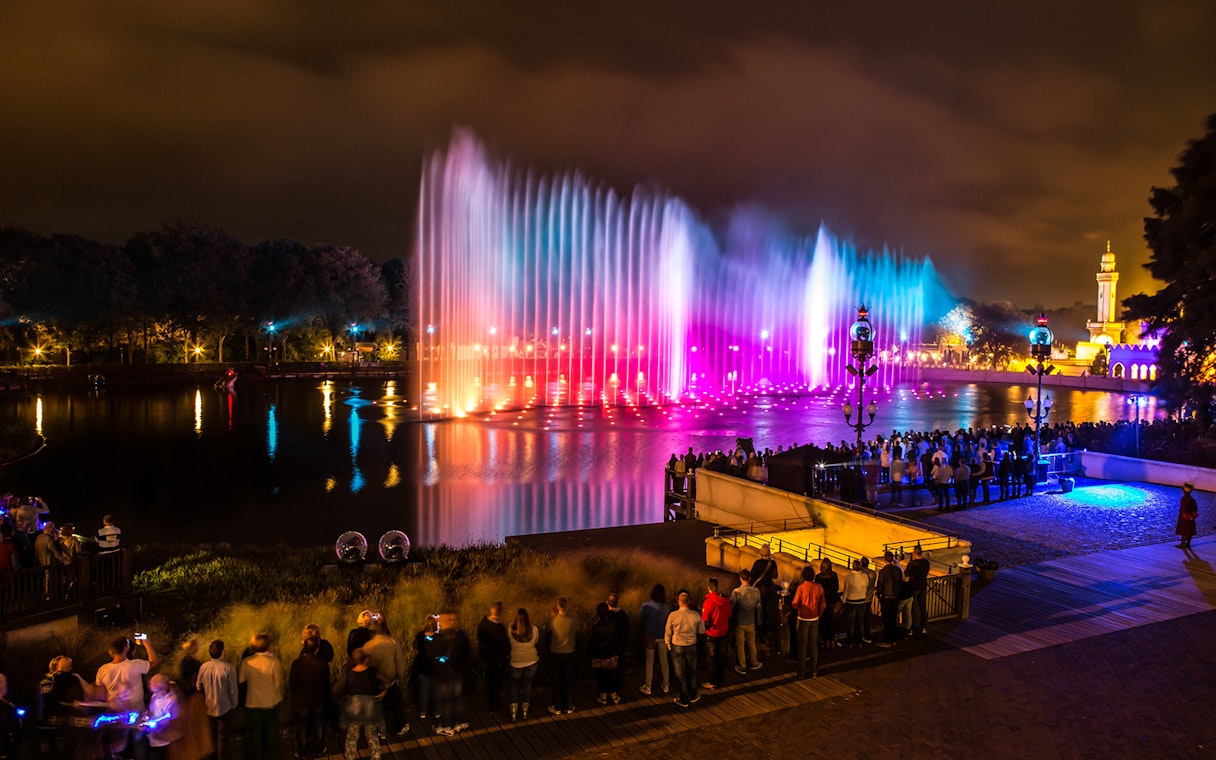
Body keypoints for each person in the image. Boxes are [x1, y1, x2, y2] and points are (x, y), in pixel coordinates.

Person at [96, 634, 160, 760]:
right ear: (126, 648)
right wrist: (147, 643)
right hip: (137, 709)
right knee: (139, 742)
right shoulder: (135, 664)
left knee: (117, 744)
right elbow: (155, 662)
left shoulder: (103, 670)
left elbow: (101, 694)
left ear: (110, 651)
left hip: (115, 711)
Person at [334, 648, 386, 760]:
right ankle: (376, 756)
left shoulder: (349, 674)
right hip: (370, 710)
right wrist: (383, 692)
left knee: (352, 736)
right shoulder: (372, 672)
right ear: (366, 659)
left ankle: (350, 756)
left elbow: (336, 690)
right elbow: (385, 681)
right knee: (371, 734)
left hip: (354, 710)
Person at [362, 616, 408, 737]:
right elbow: (399, 662)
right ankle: (400, 727)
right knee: (396, 706)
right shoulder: (392, 642)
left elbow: (367, 666)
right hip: (391, 680)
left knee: (378, 707)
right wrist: (400, 675)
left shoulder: (367, 646)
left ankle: (381, 731)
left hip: (376, 682)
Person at [238, 633, 282, 760]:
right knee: (272, 733)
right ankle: (273, 756)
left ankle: (255, 756)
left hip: (253, 702)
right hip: (271, 701)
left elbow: (241, 681)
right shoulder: (274, 661)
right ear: (268, 646)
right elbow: (278, 683)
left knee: (255, 734)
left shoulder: (246, 662)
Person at [196, 639, 237, 760]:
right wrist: (234, 704)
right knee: (223, 737)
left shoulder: (203, 667)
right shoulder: (229, 668)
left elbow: (198, 686)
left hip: (209, 706)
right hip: (225, 707)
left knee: (212, 735)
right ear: (223, 651)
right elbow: (233, 689)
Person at [431, 612, 471, 737]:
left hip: (446, 674)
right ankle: (459, 721)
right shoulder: (461, 635)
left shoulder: (442, 637)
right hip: (458, 672)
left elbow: (438, 657)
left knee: (446, 701)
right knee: (457, 698)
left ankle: (448, 726)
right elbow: (467, 654)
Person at [290, 636, 330, 758]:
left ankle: (302, 750)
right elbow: (326, 682)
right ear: (317, 648)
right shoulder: (323, 663)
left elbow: (292, 683)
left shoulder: (297, 664)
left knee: (301, 725)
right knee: (319, 722)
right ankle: (319, 748)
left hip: (301, 699)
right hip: (318, 698)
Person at [664, 590, 704, 707]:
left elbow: (667, 631)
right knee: (692, 671)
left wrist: (668, 644)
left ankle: (684, 698)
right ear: (689, 602)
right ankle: (693, 694)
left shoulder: (673, 615)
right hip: (691, 645)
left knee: (680, 674)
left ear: (678, 602)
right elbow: (701, 630)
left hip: (677, 646)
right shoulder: (695, 615)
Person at [791, 566, 825, 678]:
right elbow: (823, 604)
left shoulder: (801, 588)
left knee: (802, 645)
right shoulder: (819, 587)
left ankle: (801, 671)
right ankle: (814, 670)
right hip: (814, 618)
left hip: (803, 619)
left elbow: (795, 604)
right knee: (813, 645)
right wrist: (818, 615)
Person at [476, 602, 510, 713]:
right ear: (500, 612)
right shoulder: (499, 628)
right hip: (498, 658)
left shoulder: (483, 623)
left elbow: (480, 639)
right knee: (496, 681)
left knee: (490, 680)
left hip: (487, 656)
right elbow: (504, 644)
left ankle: (491, 703)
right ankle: (494, 704)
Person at [507, 608, 540, 720]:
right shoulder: (534, 630)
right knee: (527, 685)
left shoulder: (510, 629)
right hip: (532, 661)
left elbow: (508, 642)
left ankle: (513, 712)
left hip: (516, 662)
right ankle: (525, 710)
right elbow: (536, 642)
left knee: (514, 685)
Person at [546, 597, 577, 715]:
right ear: (568, 606)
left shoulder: (552, 621)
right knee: (569, 680)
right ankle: (569, 706)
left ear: (557, 606)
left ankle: (557, 707)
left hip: (556, 654)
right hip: (570, 653)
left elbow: (547, 634)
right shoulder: (574, 619)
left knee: (556, 681)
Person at [639, 584, 671, 695]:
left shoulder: (646, 606)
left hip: (650, 635)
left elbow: (643, 618)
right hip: (663, 635)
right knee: (664, 661)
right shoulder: (667, 606)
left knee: (649, 662)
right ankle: (666, 685)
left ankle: (648, 686)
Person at [729, 570, 762, 674]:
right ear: (750, 578)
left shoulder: (736, 592)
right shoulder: (756, 591)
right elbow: (758, 606)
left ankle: (742, 666)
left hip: (740, 621)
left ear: (740, 578)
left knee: (740, 644)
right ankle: (754, 662)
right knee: (752, 643)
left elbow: (731, 606)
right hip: (751, 620)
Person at [588, 602, 621, 706]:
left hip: (600, 656)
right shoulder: (613, 625)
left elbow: (593, 644)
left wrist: (591, 655)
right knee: (610, 676)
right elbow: (616, 640)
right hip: (611, 655)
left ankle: (603, 698)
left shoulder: (596, 627)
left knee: (601, 677)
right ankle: (614, 696)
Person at [145, 674, 184, 760]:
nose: (155, 693)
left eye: (157, 690)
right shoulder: (155, 696)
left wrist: (155, 724)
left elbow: (173, 722)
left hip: (166, 743)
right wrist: (146, 717)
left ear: (165, 687)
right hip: (154, 740)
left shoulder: (172, 700)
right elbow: (152, 711)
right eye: (153, 691)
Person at [701, 577, 731, 689]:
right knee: (721, 657)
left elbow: (705, 619)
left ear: (709, 588)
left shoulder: (708, 602)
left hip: (712, 634)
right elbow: (729, 615)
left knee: (712, 659)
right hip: (724, 632)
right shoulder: (726, 600)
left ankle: (712, 681)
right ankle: (720, 679)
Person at [749, 544, 779, 645]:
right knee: (768, 610)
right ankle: (766, 631)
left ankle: (760, 632)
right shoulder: (773, 563)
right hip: (769, 589)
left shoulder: (757, 563)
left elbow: (752, 575)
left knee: (760, 611)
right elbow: (775, 576)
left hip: (760, 590)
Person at [410, 616, 438, 720]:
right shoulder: (438, 637)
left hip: (422, 665)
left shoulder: (420, 636)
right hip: (434, 667)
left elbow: (415, 646)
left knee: (423, 691)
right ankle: (436, 712)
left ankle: (423, 712)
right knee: (435, 690)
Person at [876, 552, 904, 647]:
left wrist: (878, 594)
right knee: (893, 619)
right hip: (895, 597)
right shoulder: (897, 570)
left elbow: (880, 585)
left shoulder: (883, 572)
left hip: (886, 598)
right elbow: (900, 583)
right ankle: (893, 640)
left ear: (884, 560)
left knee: (887, 620)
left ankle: (887, 640)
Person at [605, 592, 629, 700]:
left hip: (609, 647)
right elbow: (627, 630)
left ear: (607, 603)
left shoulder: (607, 616)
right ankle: (618, 688)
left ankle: (608, 689)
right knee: (619, 668)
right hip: (620, 646)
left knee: (608, 669)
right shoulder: (623, 614)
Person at [841, 559, 870, 648]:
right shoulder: (865, 576)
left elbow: (846, 590)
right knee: (860, 622)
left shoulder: (850, 577)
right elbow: (866, 586)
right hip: (862, 600)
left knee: (851, 623)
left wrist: (843, 599)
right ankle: (859, 641)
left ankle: (850, 642)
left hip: (851, 601)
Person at [815, 558, 840, 650]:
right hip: (832, 601)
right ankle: (831, 643)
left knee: (823, 623)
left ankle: (825, 642)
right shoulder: (834, 576)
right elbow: (836, 588)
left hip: (822, 602)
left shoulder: (818, 577)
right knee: (830, 623)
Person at [905, 546, 931, 634]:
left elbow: (907, 574)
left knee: (912, 607)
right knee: (922, 606)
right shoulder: (926, 563)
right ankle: (924, 626)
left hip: (913, 587)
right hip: (923, 586)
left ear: (914, 553)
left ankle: (912, 628)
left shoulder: (912, 564)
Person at [0, 673, 24, 760]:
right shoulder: (3, 706)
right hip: (5, 749)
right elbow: (4, 728)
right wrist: (3, 751)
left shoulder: (6, 702)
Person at [1176, 482, 1199, 549]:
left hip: (1184, 517)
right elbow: (1195, 508)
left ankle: (1183, 543)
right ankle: (1188, 543)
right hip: (1191, 517)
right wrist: (1193, 515)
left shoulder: (1184, 499)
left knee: (1184, 530)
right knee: (1189, 530)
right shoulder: (1192, 500)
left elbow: (1183, 509)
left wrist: (1185, 514)